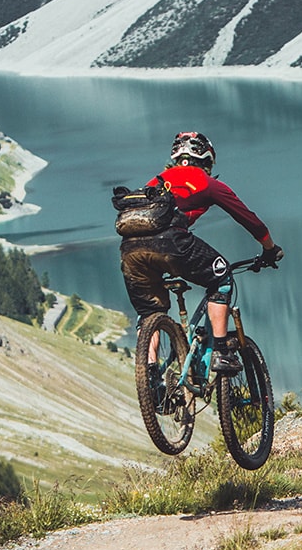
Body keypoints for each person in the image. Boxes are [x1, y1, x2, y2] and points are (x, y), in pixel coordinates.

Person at [118, 131, 283, 375]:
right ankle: (221, 352)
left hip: (130, 250)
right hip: (172, 244)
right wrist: (270, 249)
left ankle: (150, 375)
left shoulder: (154, 182)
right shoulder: (207, 183)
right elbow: (249, 219)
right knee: (222, 277)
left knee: (149, 312)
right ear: (207, 159)